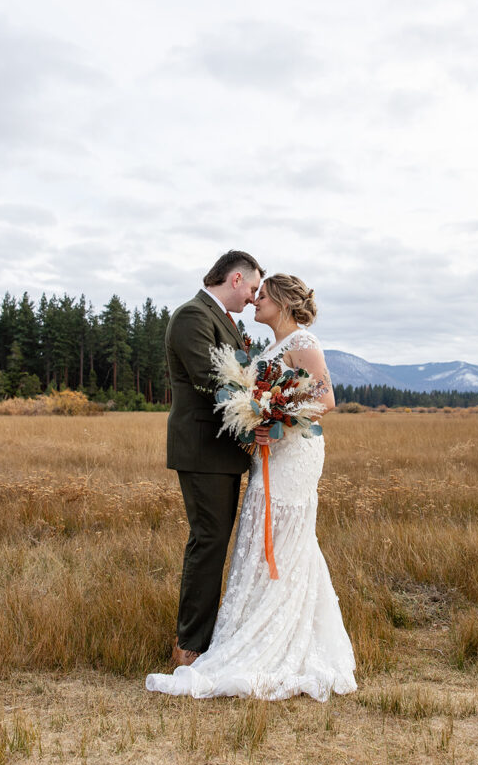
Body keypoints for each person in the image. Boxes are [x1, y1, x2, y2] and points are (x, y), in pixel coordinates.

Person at [147, 274, 357, 701]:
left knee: (284, 541)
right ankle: (257, 628)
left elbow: (326, 399)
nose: (255, 301)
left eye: (262, 295)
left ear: (280, 301)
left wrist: (276, 421)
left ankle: (279, 641)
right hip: (268, 457)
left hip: (292, 457)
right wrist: (262, 419)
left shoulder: (303, 342)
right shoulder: (273, 347)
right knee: (266, 540)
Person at [164, 250, 267, 669]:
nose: (254, 298)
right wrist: (264, 406)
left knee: (216, 541)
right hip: (202, 448)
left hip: (220, 451)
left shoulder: (218, 316)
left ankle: (205, 638)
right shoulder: (192, 315)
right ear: (236, 278)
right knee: (208, 542)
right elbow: (212, 380)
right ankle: (189, 647)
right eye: (255, 289)